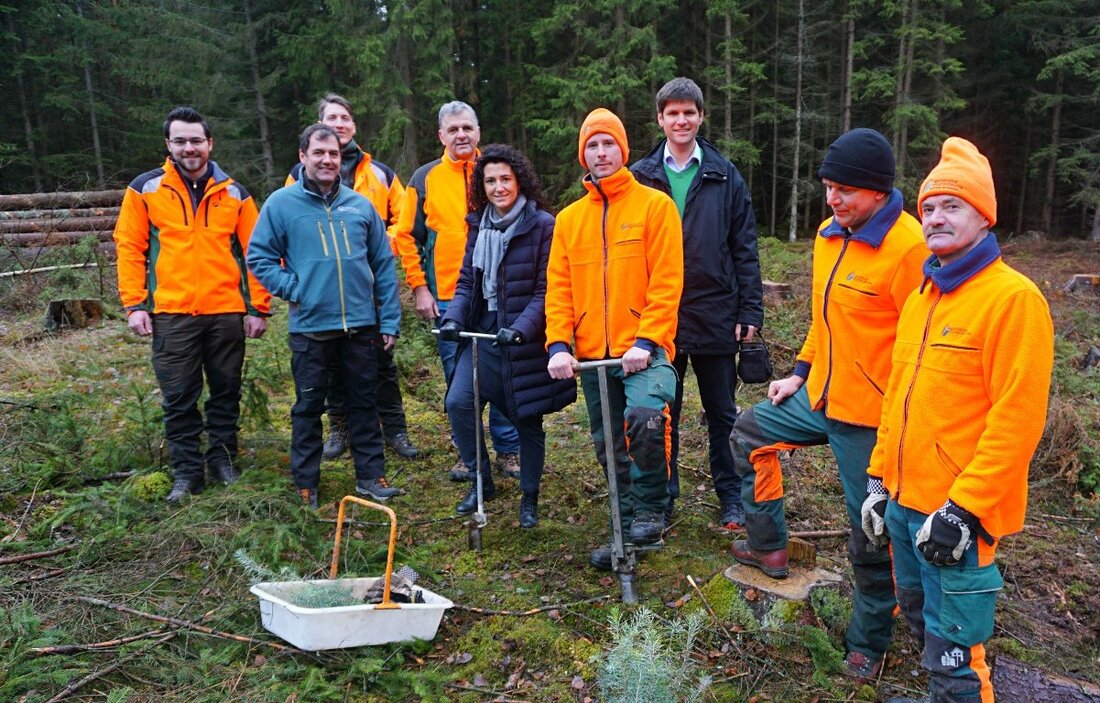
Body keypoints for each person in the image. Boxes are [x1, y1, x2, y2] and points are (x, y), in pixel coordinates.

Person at [728, 128, 928, 680]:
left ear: (879, 190)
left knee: (870, 531)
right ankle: (768, 547)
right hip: (821, 395)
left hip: (873, 418)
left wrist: (900, 423)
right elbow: (824, 320)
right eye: (827, 187)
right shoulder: (828, 234)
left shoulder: (910, 249)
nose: (832, 199)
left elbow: (919, 347)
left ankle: (870, 640)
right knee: (749, 433)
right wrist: (799, 373)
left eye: (845, 190)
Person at [862, 138, 1054, 703]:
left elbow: (1018, 420)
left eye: (952, 206)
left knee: (957, 654)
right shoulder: (922, 297)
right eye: (928, 207)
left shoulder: (1013, 300)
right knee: (921, 623)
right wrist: (878, 479)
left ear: (983, 216)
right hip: (905, 505)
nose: (936, 218)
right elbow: (897, 397)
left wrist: (964, 508)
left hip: (956, 517)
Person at [545, 108, 683, 569]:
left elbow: (667, 280)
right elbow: (559, 289)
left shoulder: (654, 207)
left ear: (622, 150)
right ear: (582, 154)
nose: (601, 153)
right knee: (609, 447)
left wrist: (647, 340)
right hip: (592, 356)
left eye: (608, 144)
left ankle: (650, 510)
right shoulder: (569, 220)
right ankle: (625, 532)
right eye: (592, 145)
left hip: (645, 349)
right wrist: (558, 345)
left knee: (645, 419)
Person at [114, 106, 271, 504]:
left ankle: (222, 460)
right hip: (171, 313)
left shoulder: (234, 192)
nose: (189, 148)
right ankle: (187, 473)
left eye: (196, 140)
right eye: (180, 141)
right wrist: (135, 304)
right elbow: (129, 247)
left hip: (225, 312)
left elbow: (255, 251)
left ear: (209, 143)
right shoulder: (145, 189)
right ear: (168, 144)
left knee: (226, 391)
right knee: (179, 397)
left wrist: (258, 307)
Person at [247, 124, 403, 509]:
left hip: (360, 326)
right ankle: (306, 483)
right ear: (303, 156)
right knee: (308, 407)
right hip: (311, 329)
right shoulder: (281, 204)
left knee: (363, 403)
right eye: (318, 152)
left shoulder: (360, 206)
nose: (327, 160)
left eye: (333, 153)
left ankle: (371, 477)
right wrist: (296, 289)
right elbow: (258, 257)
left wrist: (388, 320)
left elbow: (383, 265)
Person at [631, 77, 763, 529]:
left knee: (722, 412)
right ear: (660, 119)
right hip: (658, 317)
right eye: (673, 113)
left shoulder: (725, 175)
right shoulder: (641, 176)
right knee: (660, 412)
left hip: (715, 312)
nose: (681, 120)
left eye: (689, 112)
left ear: (701, 117)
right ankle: (662, 498)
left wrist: (750, 311)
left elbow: (744, 247)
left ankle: (731, 497)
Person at [437, 145, 576, 526]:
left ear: (520, 181)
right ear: (481, 186)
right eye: (490, 181)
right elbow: (468, 281)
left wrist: (520, 329)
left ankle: (529, 496)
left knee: (526, 419)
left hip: (524, 341)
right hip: (483, 338)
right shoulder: (477, 225)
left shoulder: (543, 225)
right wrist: (453, 318)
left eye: (505, 179)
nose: (498, 187)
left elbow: (547, 290)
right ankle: (480, 481)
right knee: (459, 403)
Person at [285, 93, 420, 462]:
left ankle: (395, 428)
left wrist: (381, 245)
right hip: (323, 289)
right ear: (319, 127)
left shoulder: (380, 173)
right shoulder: (297, 176)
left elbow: (403, 219)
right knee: (330, 364)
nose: (339, 124)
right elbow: (287, 227)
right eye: (332, 118)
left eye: (345, 118)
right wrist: (297, 283)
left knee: (381, 360)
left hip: (369, 283)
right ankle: (339, 427)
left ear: (354, 125)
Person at [392, 101, 520, 480]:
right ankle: (469, 453)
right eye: (453, 129)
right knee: (458, 377)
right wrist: (420, 288)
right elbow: (405, 235)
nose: (461, 135)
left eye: (467, 128)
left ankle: (509, 449)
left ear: (478, 131)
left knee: (504, 370)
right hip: (449, 296)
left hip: (500, 292)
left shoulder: (496, 170)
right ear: (441, 135)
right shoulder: (424, 178)